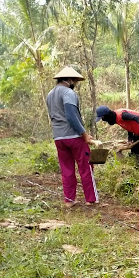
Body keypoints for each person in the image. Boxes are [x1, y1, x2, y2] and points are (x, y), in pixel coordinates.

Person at [46, 66, 98, 207]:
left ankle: (69, 200)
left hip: (59, 137)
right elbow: (71, 115)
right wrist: (84, 134)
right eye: (74, 81)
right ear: (69, 80)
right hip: (74, 136)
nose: (75, 83)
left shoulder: (50, 94)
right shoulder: (68, 93)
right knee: (86, 166)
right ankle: (90, 199)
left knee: (66, 169)